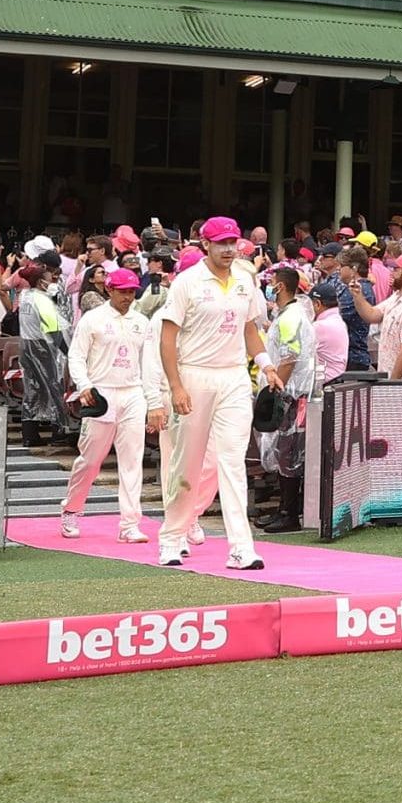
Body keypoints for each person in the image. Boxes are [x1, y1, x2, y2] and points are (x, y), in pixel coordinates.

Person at [157, 217, 268, 571]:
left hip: (233, 377)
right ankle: (172, 537)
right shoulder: (187, 282)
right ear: (205, 244)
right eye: (221, 243)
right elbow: (168, 337)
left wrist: (266, 364)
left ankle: (241, 547)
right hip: (194, 375)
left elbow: (249, 328)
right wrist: (175, 385)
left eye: (233, 242)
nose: (228, 249)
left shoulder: (245, 281)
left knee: (232, 461)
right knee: (186, 464)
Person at [60, 269, 163, 542]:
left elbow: (150, 364)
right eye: (122, 292)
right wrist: (84, 386)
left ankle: (130, 524)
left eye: (131, 292)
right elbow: (77, 356)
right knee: (91, 460)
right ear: (109, 290)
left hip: (132, 393)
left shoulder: (142, 322)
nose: (128, 297)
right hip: (100, 393)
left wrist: (154, 401)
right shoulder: (93, 319)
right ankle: (72, 508)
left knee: (132, 461)